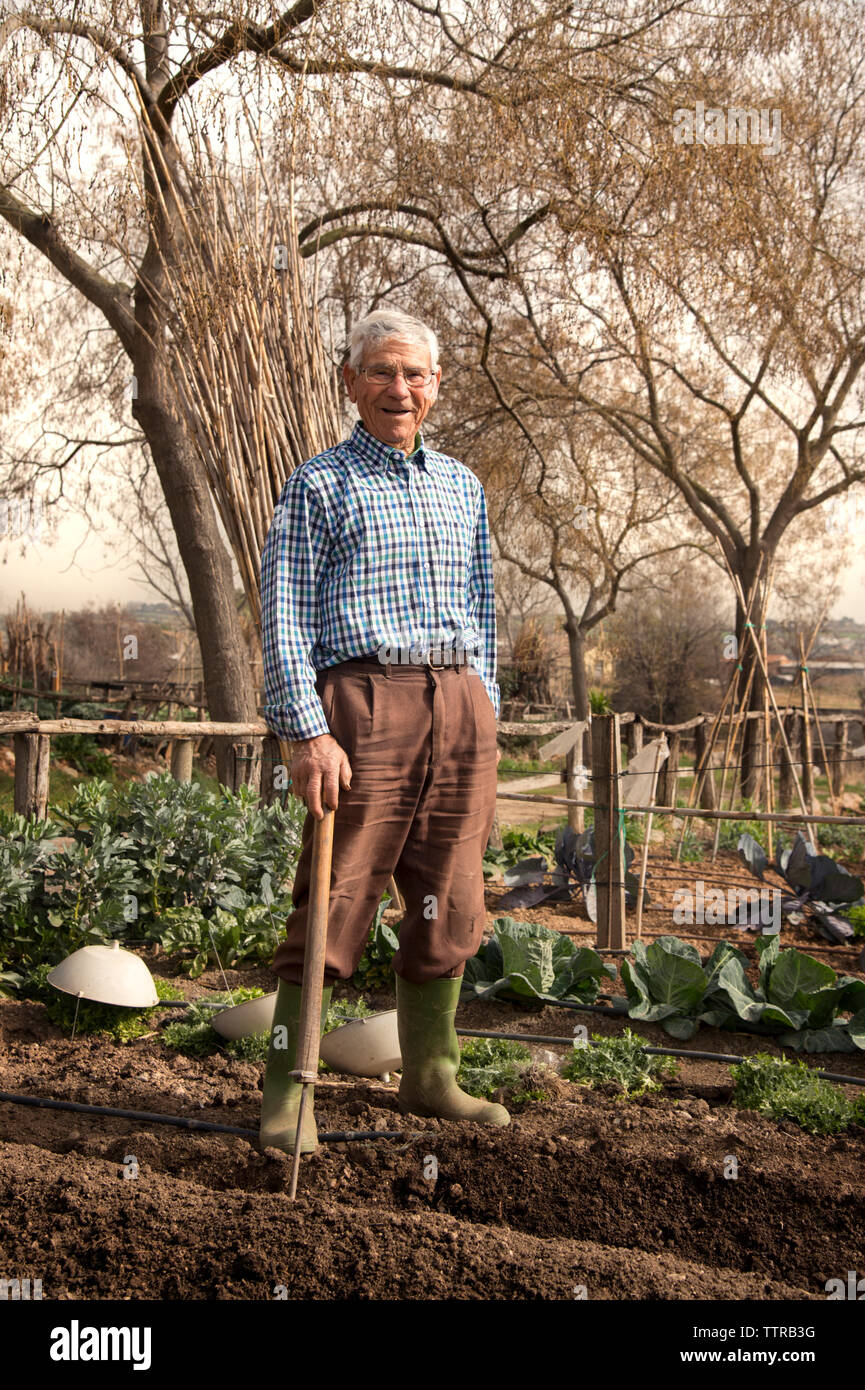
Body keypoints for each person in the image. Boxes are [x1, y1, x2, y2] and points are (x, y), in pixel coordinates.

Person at [258, 307, 508, 1153]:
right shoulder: (318, 484)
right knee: (337, 898)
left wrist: (488, 709)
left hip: (457, 705)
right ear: (350, 383)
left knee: (452, 897)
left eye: (414, 374)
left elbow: (482, 607)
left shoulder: (461, 485)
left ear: (435, 386)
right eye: (381, 373)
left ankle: (430, 1075)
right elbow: (284, 617)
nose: (398, 389)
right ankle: (289, 1096)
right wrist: (305, 730)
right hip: (362, 705)